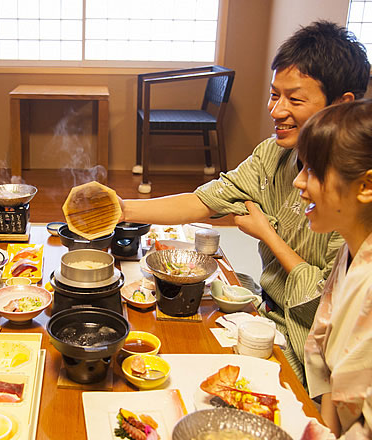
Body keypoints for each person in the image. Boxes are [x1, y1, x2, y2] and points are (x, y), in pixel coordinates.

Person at [119, 21, 370, 382]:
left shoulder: (350, 195)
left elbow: (324, 306)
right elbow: (206, 199)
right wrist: (119, 209)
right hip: (264, 311)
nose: (276, 110)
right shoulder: (275, 154)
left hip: (305, 343)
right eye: (274, 95)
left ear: (342, 104)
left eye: (294, 99)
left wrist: (268, 233)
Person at [294, 100, 372, 440]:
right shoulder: (351, 249)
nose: (299, 182)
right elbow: (330, 376)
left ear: (366, 186)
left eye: (313, 171)